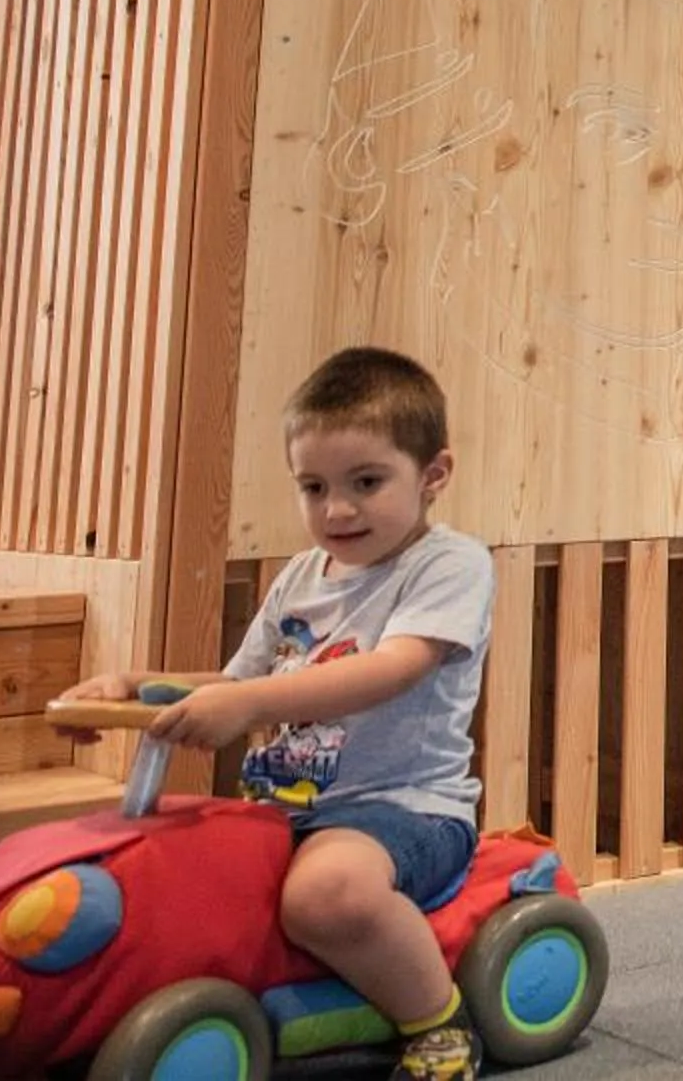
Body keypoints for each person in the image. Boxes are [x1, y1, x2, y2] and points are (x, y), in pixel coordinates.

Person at [62, 348, 496, 1079]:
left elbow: (391, 669)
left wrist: (248, 703)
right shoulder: (300, 575)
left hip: (402, 811)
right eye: (313, 486)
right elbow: (237, 680)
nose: (336, 509)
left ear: (432, 476)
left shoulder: (448, 565)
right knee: (172, 875)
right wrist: (136, 689)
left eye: (366, 482)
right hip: (283, 811)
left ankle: (440, 1025)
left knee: (327, 894)